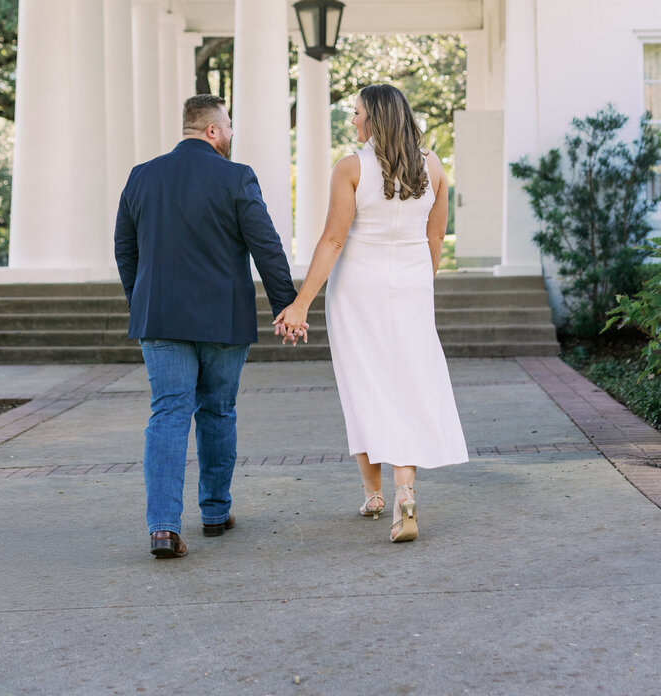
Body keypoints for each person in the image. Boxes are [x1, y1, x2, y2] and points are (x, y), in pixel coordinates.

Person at [274, 83, 468, 543]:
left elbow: (334, 240)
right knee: (407, 383)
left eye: (358, 113)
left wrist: (301, 304)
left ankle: (374, 493)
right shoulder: (434, 166)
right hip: (413, 287)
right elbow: (435, 238)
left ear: (375, 118)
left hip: (358, 291)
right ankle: (403, 493)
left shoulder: (351, 168)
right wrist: (421, 283)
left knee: (364, 383)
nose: (353, 120)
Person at [115, 93, 298, 560]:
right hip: (223, 318)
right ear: (213, 131)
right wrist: (286, 306)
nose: (232, 135)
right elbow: (267, 246)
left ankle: (163, 527)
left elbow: (125, 248)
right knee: (218, 412)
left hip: (160, 318)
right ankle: (215, 512)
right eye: (230, 126)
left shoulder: (142, 177)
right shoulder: (237, 177)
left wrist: (142, 300)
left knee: (168, 413)